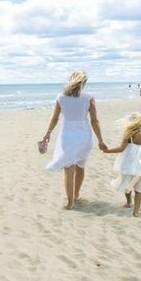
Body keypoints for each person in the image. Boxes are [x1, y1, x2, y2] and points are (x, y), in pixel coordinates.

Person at [40, 70, 107, 210]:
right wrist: (100, 140)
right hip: (84, 136)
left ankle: (70, 202)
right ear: (83, 83)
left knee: (68, 169)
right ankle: (76, 194)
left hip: (67, 136)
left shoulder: (61, 97)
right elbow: (95, 121)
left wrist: (48, 134)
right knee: (81, 167)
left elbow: (54, 118)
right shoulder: (89, 97)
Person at [104, 113, 141, 217]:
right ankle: (136, 211)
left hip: (129, 166)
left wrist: (108, 151)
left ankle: (128, 202)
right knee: (139, 190)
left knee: (127, 186)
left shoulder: (128, 136)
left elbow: (121, 149)